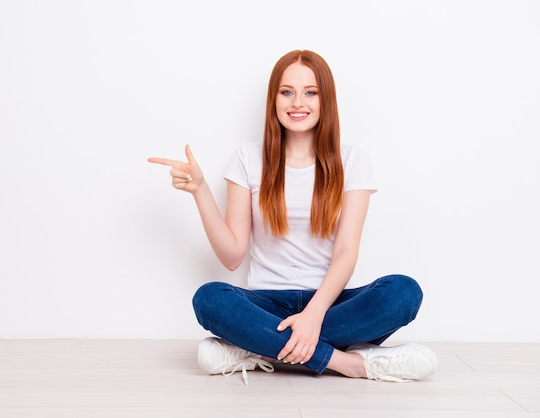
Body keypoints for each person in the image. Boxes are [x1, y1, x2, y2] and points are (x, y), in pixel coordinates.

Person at [148, 50, 437, 385]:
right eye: (287, 92)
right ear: (274, 99)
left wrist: (313, 316)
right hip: (266, 303)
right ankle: (350, 363)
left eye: (310, 92)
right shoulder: (247, 158)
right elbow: (231, 256)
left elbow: (346, 252)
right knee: (210, 299)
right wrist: (200, 191)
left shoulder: (353, 161)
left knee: (403, 293)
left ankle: (258, 350)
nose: (297, 102)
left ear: (325, 99)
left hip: (329, 303)